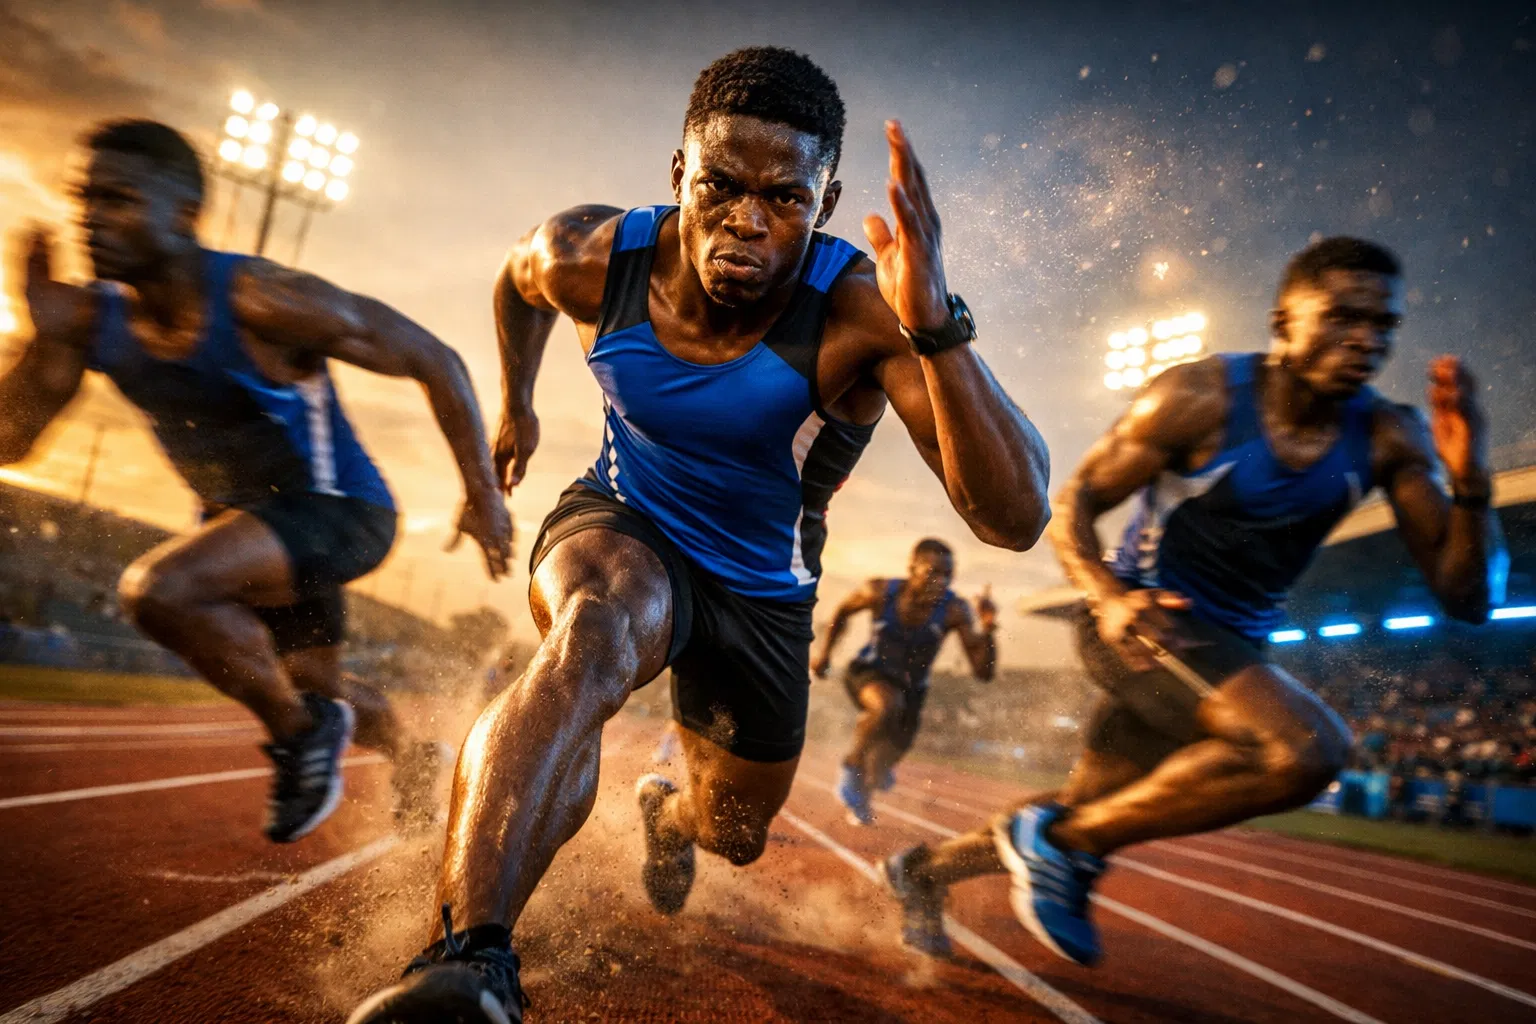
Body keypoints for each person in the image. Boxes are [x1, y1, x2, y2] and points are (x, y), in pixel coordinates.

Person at [348, 46, 1050, 1023]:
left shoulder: (862, 314)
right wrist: (516, 406)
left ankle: (666, 814)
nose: (748, 222)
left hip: (764, 587)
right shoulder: (593, 258)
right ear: (679, 172)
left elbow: (1013, 521)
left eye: (787, 199)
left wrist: (937, 326)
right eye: (720, 185)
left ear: (828, 201)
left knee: (734, 831)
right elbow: (517, 282)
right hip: (624, 523)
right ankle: (466, 962)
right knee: (591, 631)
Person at [882, 237, 1507, 965]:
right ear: (1284, 320)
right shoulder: (1203, 397)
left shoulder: (1389, 436)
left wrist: (1472, 484)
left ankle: (924, 872)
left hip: (1229, 648)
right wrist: (1110, 597)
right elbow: (1076, 501)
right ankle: (1058, 848)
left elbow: (1471, 598)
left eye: (1382, 325)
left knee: (1089, 808)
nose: (1364, 339)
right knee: (1310, 749)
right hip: (1142, 626)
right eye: (1340, 316)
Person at [0, 120, 511, 844]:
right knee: (322, 683)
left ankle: (301, 736)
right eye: (83, 199)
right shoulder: (87, 321)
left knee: (159, 590)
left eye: (117, 199)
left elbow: (434, 357)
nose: (90, 218)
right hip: (245, 534)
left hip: (340, 514)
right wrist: (35, 340)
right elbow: (12, 441)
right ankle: (412, 756)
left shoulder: (261, 300)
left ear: (181, 214)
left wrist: (482, 492)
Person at [810, 537, 996, 826]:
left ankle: (864, 794)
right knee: (885, 707)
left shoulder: (954, 611)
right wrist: (824, 654)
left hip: (913, 690)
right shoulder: (880, 591)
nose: (940, 581)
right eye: (932, 572)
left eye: (947, 574)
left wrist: (988, 627)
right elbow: (843, 611)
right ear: (912, 569)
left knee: (883, 763)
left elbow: (983, 673)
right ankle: (852, 765)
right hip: (869, 672)